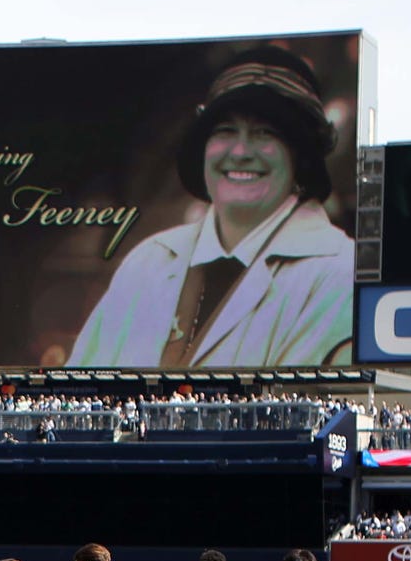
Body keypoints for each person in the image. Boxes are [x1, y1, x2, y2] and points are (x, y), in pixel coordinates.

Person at [67, 47, 356, 368]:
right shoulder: (148, 260)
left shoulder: (339, 271)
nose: (241, 151)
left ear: (300, 157)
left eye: (265, 133)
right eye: (225, 131)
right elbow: (80, 388)